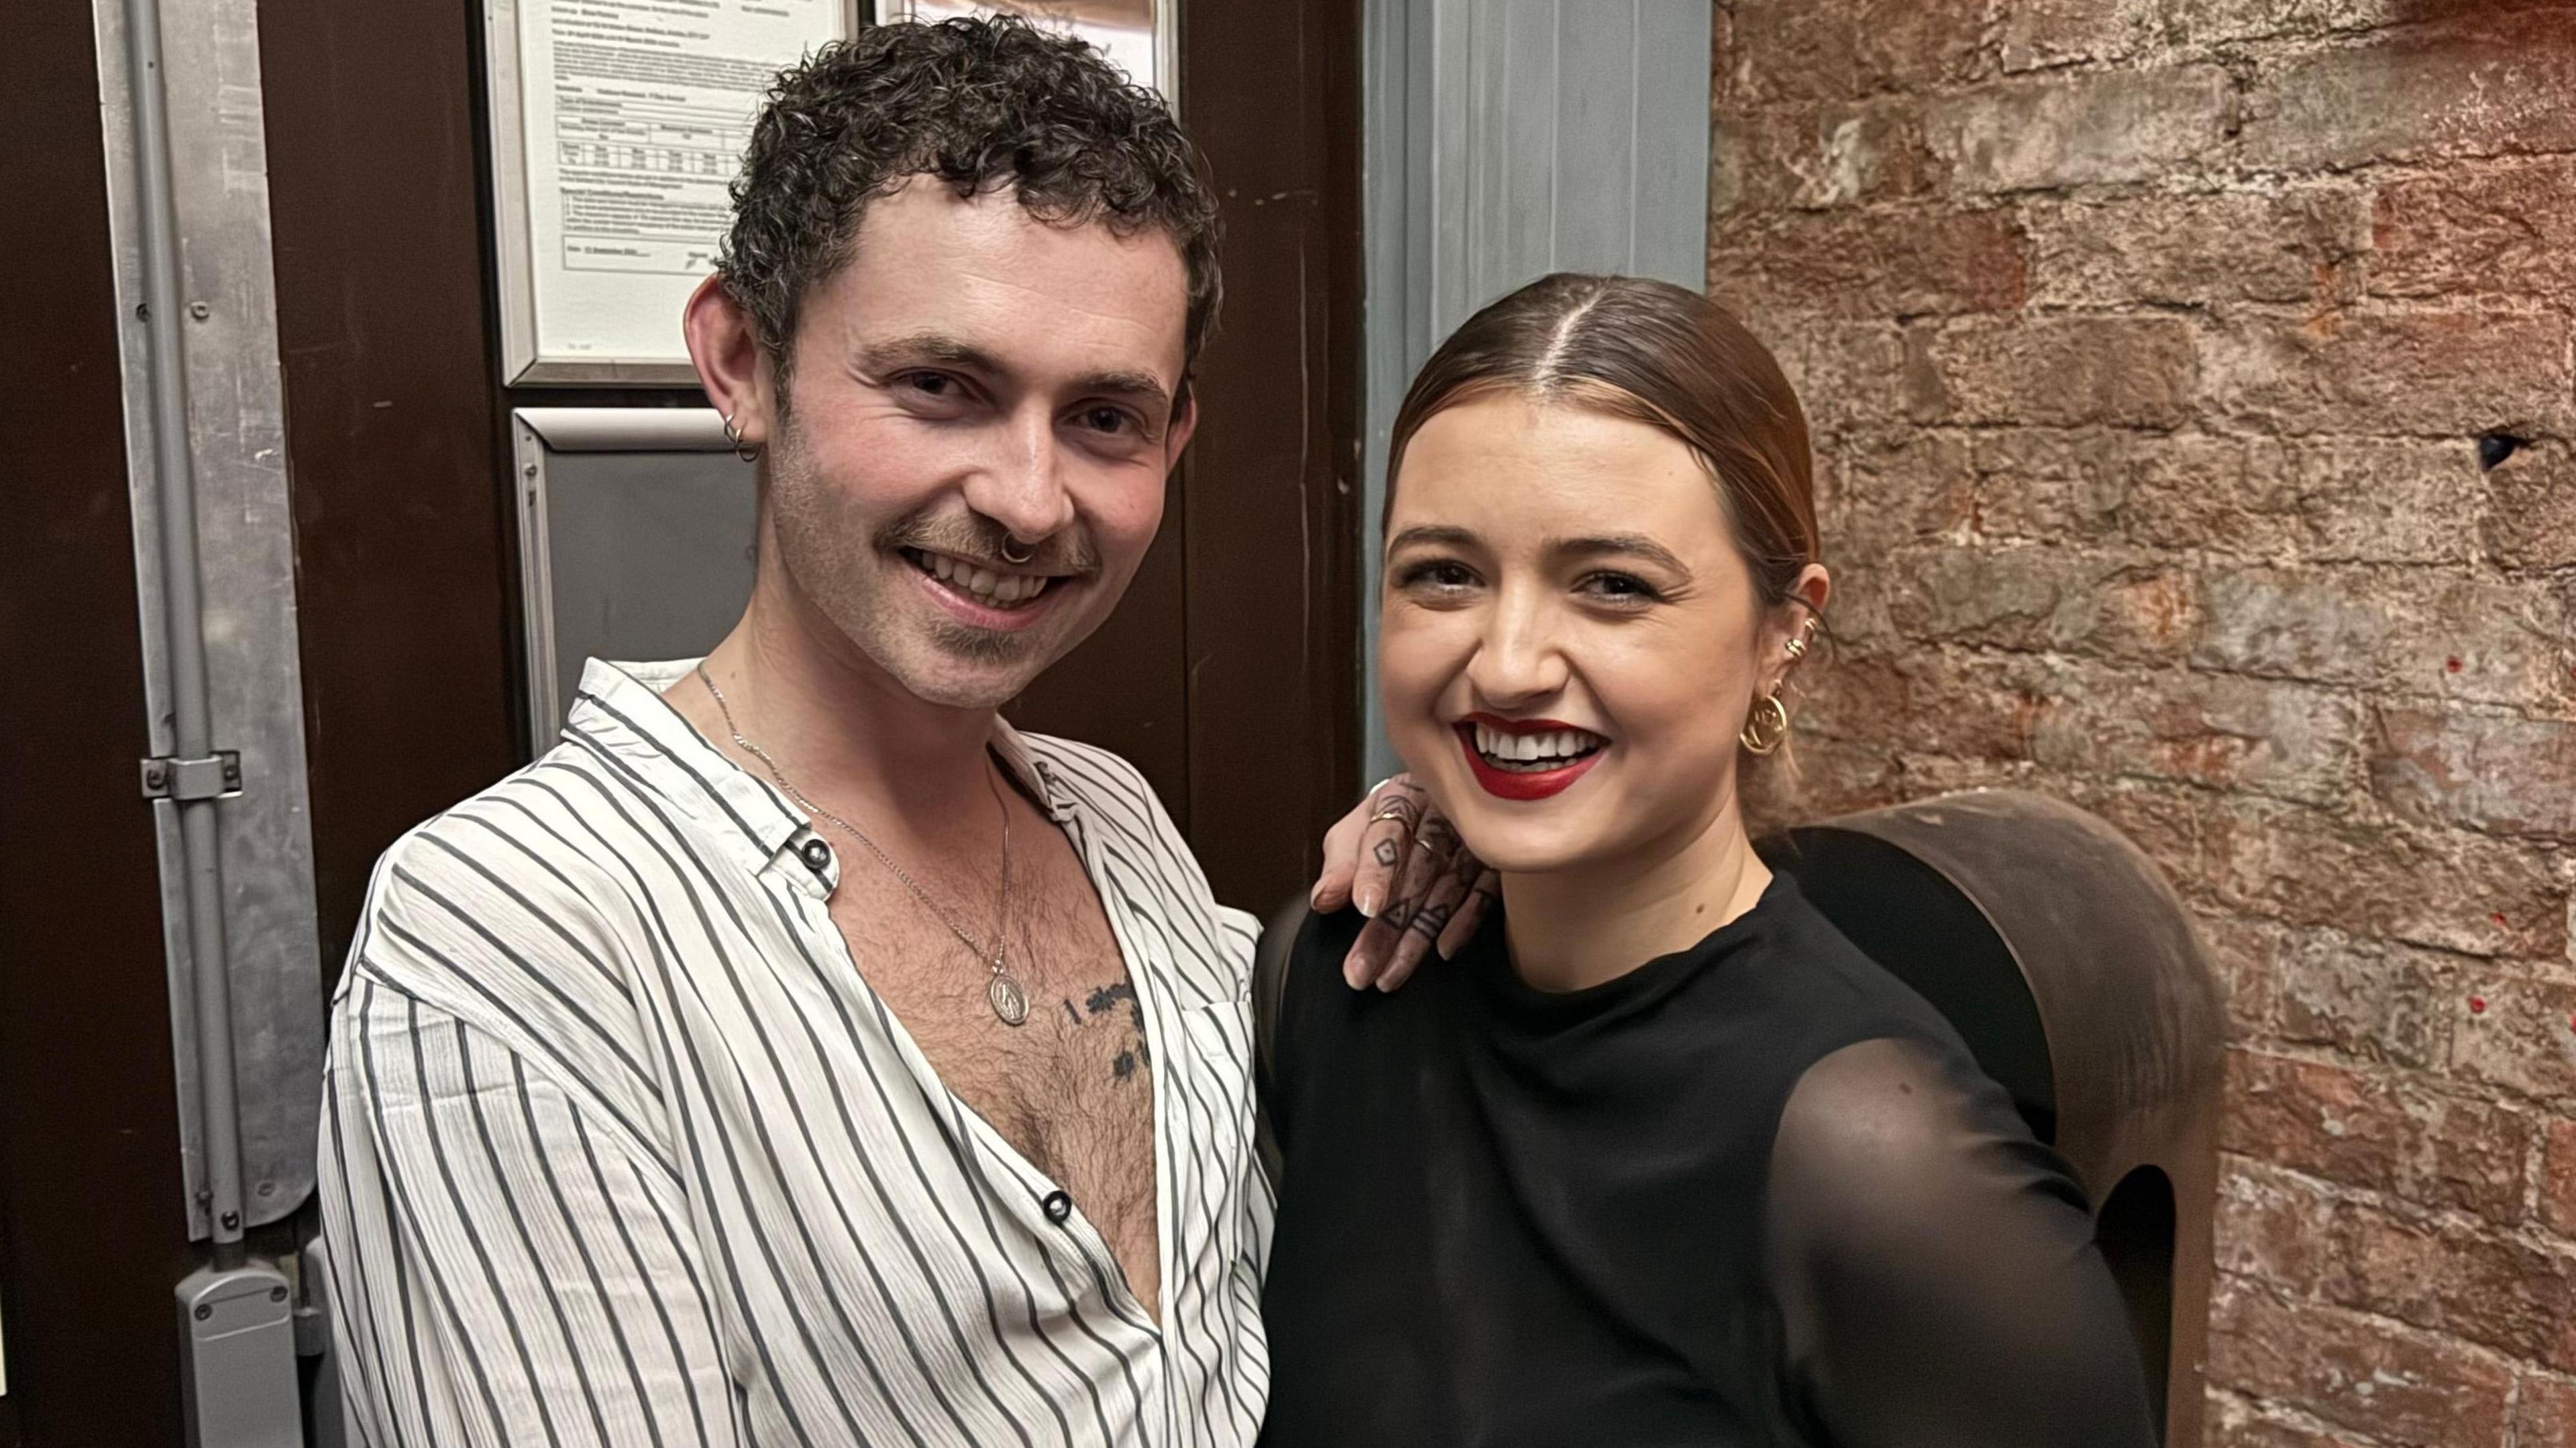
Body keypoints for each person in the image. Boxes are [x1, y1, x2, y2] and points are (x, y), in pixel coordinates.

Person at [316, 19, 1460, 1446]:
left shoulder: (1116, 825)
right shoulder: (517, 934)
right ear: (741, 359)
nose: (1032, 500)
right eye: (941, 387)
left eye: (1104, 417)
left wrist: (1473, 837)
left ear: (1173, 447)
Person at [1256, 274, 2160, 1447]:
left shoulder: (1879, 1167)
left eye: (1614, 586)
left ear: (1783, 632)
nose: (1509, 662)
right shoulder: (1328, 985)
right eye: (1445, 573)